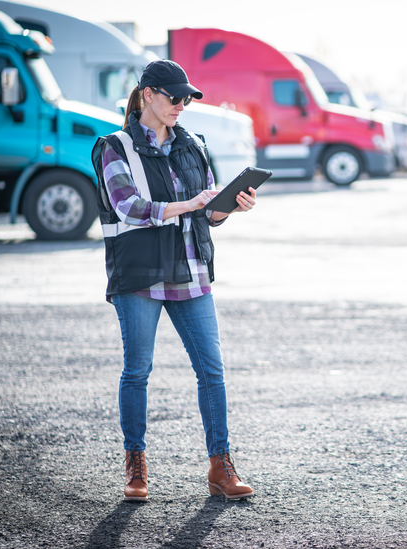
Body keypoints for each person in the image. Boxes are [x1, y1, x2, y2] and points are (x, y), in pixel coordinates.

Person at [90, 60, 257, 502]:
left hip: (190, 271)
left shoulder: (195, 145)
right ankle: (136, 468)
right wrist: (190, 204)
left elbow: (208, 211)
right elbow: (128, 206)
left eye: (186, 98)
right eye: (173, 97)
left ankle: (220, 467)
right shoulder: (114, 147)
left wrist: (227, 206)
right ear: (147, 95)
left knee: (212, 372)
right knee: (137, 372)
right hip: (140, 274)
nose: (181, 105)